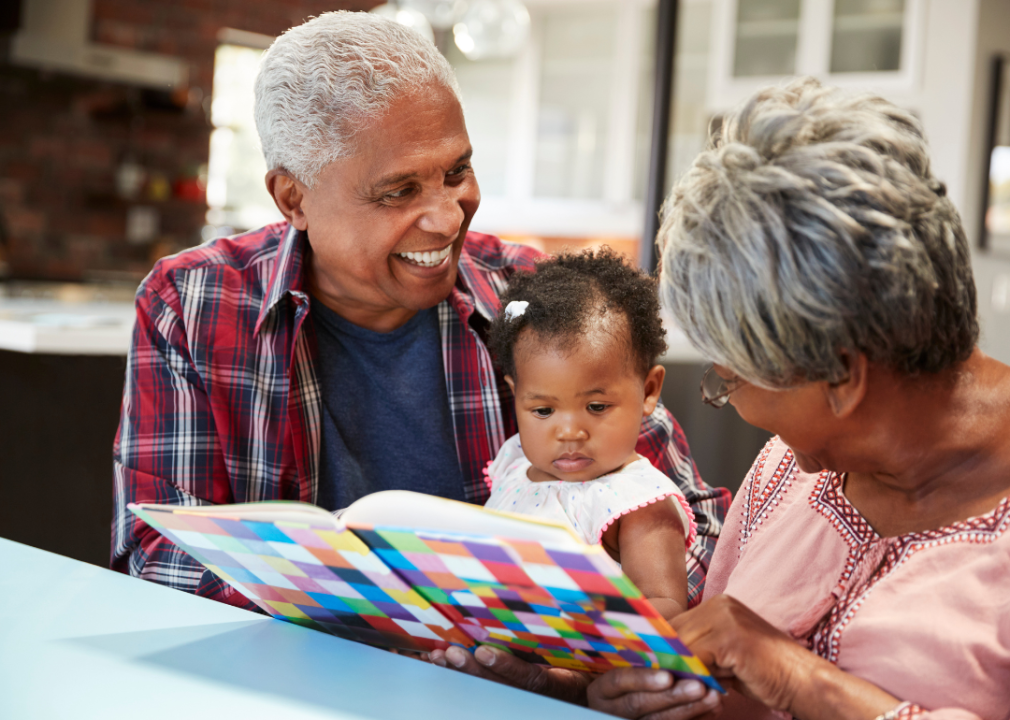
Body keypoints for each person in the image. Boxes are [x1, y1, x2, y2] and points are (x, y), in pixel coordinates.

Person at [111, 11, 730, 614]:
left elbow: (699, 522)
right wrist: (387, 616)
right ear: (292, 197)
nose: (449, 216)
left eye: (458, 171)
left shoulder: (536, 301)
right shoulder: (191, 304)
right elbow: (160, 556)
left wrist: (631, 624)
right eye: (399, 191)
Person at [433, 78, 1010, 720]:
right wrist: (613, 692)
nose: (730, 400)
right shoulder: (785, 474)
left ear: (842, 375)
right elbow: (708, 671)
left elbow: (761, 664)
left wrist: (798, 681)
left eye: (732, 379)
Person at [483, 249, 697, 620]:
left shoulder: (637, 502)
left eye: (596, 407)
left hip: (583, 665)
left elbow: (665, 608)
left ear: (648, 392)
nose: (569, 432)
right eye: (543, 411)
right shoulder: (514, 464)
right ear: (515, 395)